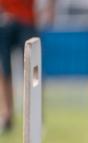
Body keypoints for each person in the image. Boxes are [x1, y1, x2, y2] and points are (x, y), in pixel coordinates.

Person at [0, 0, 55, 134]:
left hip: (27, 20)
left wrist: (49, 8)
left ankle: (35, 118)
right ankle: (6, 115)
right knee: (3, 70)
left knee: (33, 71)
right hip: (4, 19)